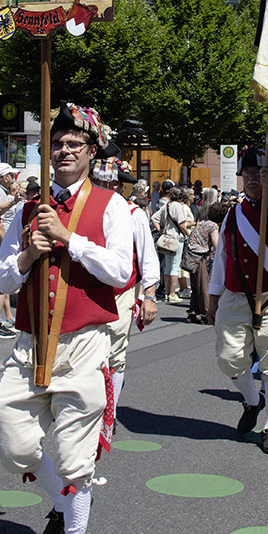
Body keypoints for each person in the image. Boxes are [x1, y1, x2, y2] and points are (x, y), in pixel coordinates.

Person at [0, 103, 132, 534]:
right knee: (15, 446)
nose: (65, 151)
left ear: (92, 152)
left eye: (75, 144)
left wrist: (69, 239)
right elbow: (3, 278)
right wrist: (30, 251)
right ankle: (58, 501)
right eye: (58, 144)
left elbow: (120, 271)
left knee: (76, 458)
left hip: (83, 343)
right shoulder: (30, 210)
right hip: (29, 345)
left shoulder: (111, 206)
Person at [206, 146, 268, 455]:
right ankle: (253, 400)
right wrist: (213, 299)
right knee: (229, 359)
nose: (252, 178)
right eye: (248, 174)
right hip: (236, 296)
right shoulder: (234, 214)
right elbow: (222, 258)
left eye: (258, 173)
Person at [91, 156, 159, 419]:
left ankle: (110, 410)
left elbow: (147, 258)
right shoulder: (84, 210)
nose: (104, 187)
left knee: (115, 352)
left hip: (120, 293)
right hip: (86, 292)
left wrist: (149, 296)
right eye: (98, 181)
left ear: (120, 186)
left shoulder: (135, 214)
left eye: (111, 183)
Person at [183, 201, 224, 324]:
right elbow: (217, 244)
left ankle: (193, 311)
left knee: (195, 287)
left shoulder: (202, 222)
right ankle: (206, 313)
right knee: (204, 286)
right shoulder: (213, 227)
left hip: (191, 256)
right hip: (202, 258)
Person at [159, 186, 194, 302]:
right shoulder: (178, 206)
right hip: (177, 238)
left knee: (167, 267)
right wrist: (189, 234)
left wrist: (161, 229)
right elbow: (182, 224)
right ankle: (172, 294)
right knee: (174, 267)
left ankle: (167, 293)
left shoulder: (167, 205)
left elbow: (155, 218)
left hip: (167, 237)